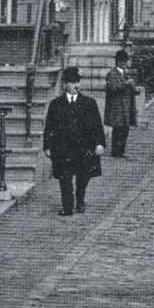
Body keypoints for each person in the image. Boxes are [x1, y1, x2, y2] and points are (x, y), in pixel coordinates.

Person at [42, 66, 105, 215]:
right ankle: (67, 206)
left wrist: (100, 143)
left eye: (78, 82)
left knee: (83, 177)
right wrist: (47, 146)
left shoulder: (89, 103)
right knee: (65, 178)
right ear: (64, 84)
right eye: (72, 82)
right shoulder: (56, 104)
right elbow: (49, 126)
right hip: (63, 148)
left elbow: (97, 125)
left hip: (84, 148)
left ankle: (80, 199)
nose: (76, 85)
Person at [103, 49, 138, 157]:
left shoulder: (124, 73)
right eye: (125, 61)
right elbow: (112, 88)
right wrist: (126, 84)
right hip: (117, 106)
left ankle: (121, 150)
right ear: (119, 62)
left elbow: (129, 88)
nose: (127, 63)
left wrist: (135, 89)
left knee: (125, 128)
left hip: (126, 106)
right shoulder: (112, 73)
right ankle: (116, 151)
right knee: (118, 128)